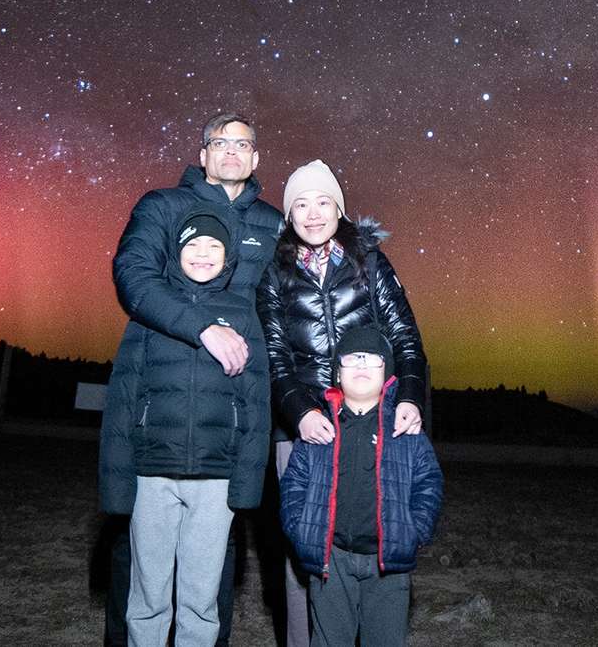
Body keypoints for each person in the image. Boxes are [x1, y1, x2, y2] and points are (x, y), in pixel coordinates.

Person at [100, 113, 284, 647]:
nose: (230, 151)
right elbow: (134, 279)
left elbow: (292, 298)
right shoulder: (162, 206)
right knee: (139, 575)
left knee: (211, 576)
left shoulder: (272, 225)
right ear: (202, 155)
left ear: (255, 158)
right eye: (218, 142)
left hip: (223, 423)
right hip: (159, 408)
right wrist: (203, 327)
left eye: (242, 143)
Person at [259, 159, 430, 647]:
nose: (313, 214)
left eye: (323, 202)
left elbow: (406, 337)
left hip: (371, 421)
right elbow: (275, 353)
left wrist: (411, 398)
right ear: (289, 215)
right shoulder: (275, 271)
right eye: (300, 205)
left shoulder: (370, 261)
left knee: (376, 536)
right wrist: (299, 413)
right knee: (304, 550)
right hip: (306, 429)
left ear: (340, 208)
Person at [278, 324, 443, 647]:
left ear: (388, 372)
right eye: (353, 358)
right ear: (338, 372)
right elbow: (293, 485)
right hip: (331, 561)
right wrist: (301, 531)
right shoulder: (319, 428)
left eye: (372, 359)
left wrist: (414, 531)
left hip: (387, 564)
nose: (363, 365)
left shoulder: (404, 428)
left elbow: (429, 483)